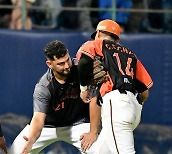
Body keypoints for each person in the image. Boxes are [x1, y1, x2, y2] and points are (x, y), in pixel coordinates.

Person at [9, 40, 105, 154]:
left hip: (78, 123)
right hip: (48, 126)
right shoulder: (44, 86)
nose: (66, 66)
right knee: (16, 151)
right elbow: (38, 118)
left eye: (67, 60)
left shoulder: (82, 70)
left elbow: (95, 99)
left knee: (100, 151)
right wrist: (32, 140)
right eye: (60, 63)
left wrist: (93, 132)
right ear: (49, 64)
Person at [76, 19, 153, 153]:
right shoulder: (130, 54)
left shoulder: (95, 44)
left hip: (116, 105)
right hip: (133, 109)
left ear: (98, 33)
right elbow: (145, 92)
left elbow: (83, 62)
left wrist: (83, 89)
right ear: (117, 39)